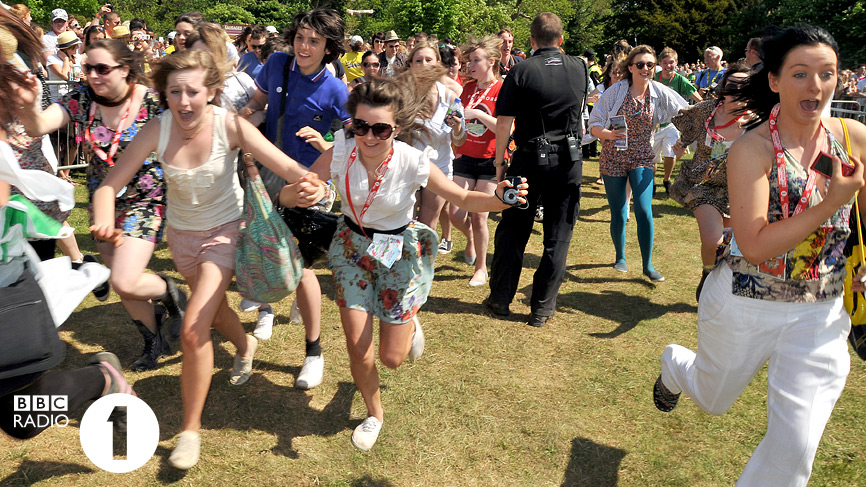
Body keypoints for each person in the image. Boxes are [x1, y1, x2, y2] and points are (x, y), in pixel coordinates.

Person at [91, 48, 326, 470]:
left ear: (213, 92)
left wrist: (313, 186)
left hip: (225, 235)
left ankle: (189, 431)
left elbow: (289, 167)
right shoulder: (156, 129)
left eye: (193, 92)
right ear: (164, 93)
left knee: (194, 328)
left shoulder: (231, 125)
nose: (183, 101)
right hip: (181, 241)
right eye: (175, 91)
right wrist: (105, 218)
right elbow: (109, 186)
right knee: (215, 313)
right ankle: (245, 343)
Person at [656, 24, 866, 487]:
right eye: (800, 74)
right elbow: (753, 243)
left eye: (827, 73)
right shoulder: (752, 148)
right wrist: (831, 203)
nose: (815, 86)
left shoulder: (853, 138)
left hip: (822, 313)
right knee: (713, 399)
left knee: (795, 448)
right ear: (773, 80)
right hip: (745, 299)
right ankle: (675, 364)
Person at [304, 73, 526, 451]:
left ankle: (407, 321)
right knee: (358, 348)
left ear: (397, 127)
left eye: (380, 129)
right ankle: (374, 414)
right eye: (361, 126)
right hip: (352, 248)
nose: (369, 137)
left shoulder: (412, 161)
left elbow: (464, 197)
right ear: (351, 123)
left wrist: (500, 199)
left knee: (392, 359)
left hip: (395, 250)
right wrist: (299, 191)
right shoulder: (342, 149)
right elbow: (304, 183)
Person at [17, 39, 188, 372]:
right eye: (88, 68)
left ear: (125, 69)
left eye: (102, 68)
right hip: (102, 199)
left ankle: (170, 293)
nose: (93, 75)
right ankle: (153, 339)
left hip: (145, 199)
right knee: (122, 281)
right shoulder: (80, 100)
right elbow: (38, 126)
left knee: (125, 280)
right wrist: (26, 103)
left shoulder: (154, 103)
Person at [239, 8, 351, 389]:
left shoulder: (336, 90)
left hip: (308, 184)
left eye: (314, 41)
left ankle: (313, 352)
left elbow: (357, 137)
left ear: (329, 48)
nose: (304, 46)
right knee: (263, 247)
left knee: (302, 267)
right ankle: (266, 310)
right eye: (301, 37)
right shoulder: (277, 64)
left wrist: (328, 144)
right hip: (267, 176)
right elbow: (258, 101)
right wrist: (248, 115)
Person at [484, 12, 588, 327]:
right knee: (558, 236)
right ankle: (542, 308)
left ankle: (501, 299)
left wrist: (500, 161)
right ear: (561, 39)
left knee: (513, 231)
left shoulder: (522, 70)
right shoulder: (580, 67)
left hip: (529, 158)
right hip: (568, 161)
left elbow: (503, 123)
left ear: (531, 40)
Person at [588, 45, 686, 283]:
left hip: (643, 156)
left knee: (643, 210)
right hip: (613, 156)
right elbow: (594, 123)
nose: (645, 69)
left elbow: (686, 114)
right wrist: (608, 135)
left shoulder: (659, 92)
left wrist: (684, 142)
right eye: (640, 64)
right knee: (619, 212)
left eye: (650, 65)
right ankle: (620, 256)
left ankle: (647, 265)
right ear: (630, 67)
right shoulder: (615, 92)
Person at [668, 62, 751, 300]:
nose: (738, 91)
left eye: (745, 87)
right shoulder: (708, 110)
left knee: (731, 245)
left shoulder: (758, 122)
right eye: (733, 85)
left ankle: (723, 286)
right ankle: (708, 275)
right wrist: (681, 145)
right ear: (725, 88)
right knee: (714, 241)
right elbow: (688, 129)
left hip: (737, 190)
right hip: (702, 185)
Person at [446, 35, 503, 286]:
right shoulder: (468, 88)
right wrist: (457, 124)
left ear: (491, 62)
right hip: (465, 156)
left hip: (490, 160)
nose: (470, 65)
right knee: (455, 212)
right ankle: (469, 238)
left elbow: (505, 128)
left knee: (480, 216)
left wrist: (478, 114)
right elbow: (460, 130)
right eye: (469, 61)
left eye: (475, 61)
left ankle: (481, 268)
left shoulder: (502, 89)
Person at [653, 47, 701, 194]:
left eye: (671, 62)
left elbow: (697, 98)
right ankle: (652, 182)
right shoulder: (653, 77)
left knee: (669, 153)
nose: (668, 66)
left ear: (676, 63)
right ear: (660, 63)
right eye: (665, 63)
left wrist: (704, 109)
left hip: (672, 125)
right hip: (654, 125)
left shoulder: (680, 80)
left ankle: (666, 179)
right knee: (652, 158)